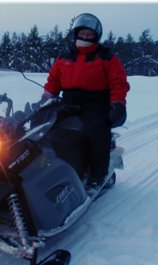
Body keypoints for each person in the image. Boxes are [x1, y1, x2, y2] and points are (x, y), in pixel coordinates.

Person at [42, 13, 130, 195]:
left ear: (96, 35)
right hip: (67, 103)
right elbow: (53, 81)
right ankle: (45, 171)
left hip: (95, 104)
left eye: (89, 34)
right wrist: (44, 100)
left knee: (96, 130)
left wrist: (117, 103)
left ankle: (97, 176)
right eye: (82, 33)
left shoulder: (107, 58)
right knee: (43, 128)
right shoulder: (64, 57)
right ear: (76, 33)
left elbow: (118, 83)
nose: (85, 37)